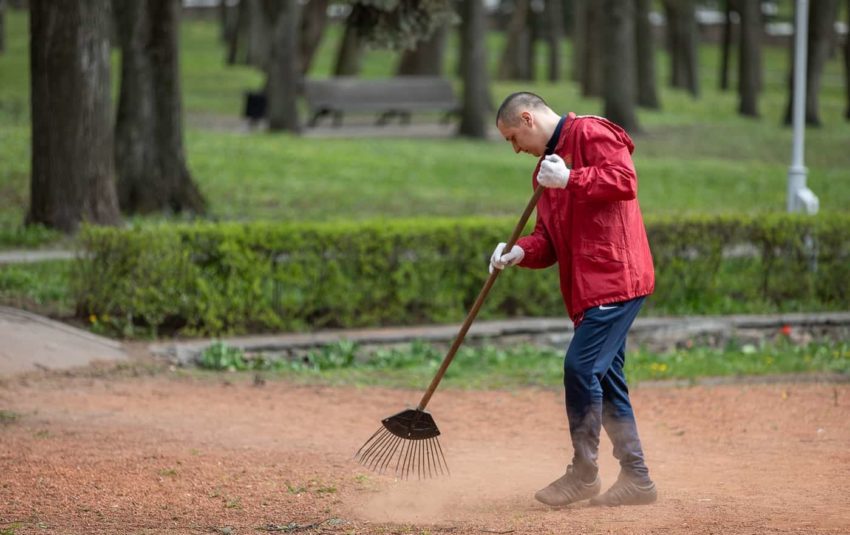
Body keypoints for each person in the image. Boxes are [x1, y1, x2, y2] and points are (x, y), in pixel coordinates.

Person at [490, 92, 657, 507]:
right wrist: (520, 251)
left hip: (617, 278)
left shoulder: (591, 131)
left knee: (580, 367)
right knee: (605, 376)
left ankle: (584, 474)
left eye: (513, 137)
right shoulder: (543, 173)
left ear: (527, 118)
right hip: (588, 289)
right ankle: (636, 477)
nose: (515, 149)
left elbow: (625, 182)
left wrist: (571, 179)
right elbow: (549, 239)